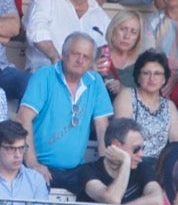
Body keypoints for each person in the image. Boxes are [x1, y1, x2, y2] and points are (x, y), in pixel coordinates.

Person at [18, 32, 112, 190]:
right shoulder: (44, 76)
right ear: (63, 54)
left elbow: (102, 127)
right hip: (41, 166)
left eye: (86, 57)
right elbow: (23, 119)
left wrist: (103, 167)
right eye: (75, 54)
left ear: (91, 62)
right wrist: (32, 163)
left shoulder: (96, 82)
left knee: (103, 198)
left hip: (76, 170)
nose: (80, 60)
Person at [112, 49, 178, 159]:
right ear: (138, 77)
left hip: (159, 167)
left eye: (157, 74)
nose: (152, 78)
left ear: (164, 79)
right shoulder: (127, 96)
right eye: (146, 73)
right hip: (131, 161)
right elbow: (121, 135)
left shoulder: (169, 106)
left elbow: (177, 142)